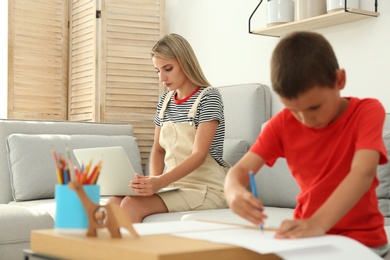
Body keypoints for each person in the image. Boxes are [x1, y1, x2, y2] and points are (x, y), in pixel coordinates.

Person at [224, 31, 389, 256]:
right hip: (304, 238)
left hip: (362, 241)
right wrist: (233, 192)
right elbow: (241, 170)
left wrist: (318, 223)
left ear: (339, 80)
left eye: (314, 107)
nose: (305, 119)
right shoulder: (282, 124)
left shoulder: (367, 111)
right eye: (293, 110)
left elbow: (363, 172)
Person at [107, 33, 230, 223]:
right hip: (173, 186)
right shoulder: (165, 101)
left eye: (168, 69)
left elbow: (198, 155)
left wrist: (160, 182)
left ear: (185, 62)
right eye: (157, 71)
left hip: (205, 189)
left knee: (131, 205)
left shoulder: (209, 97)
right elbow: (157, 150)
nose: (161, 78)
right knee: (113, 202)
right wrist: (152, 183)